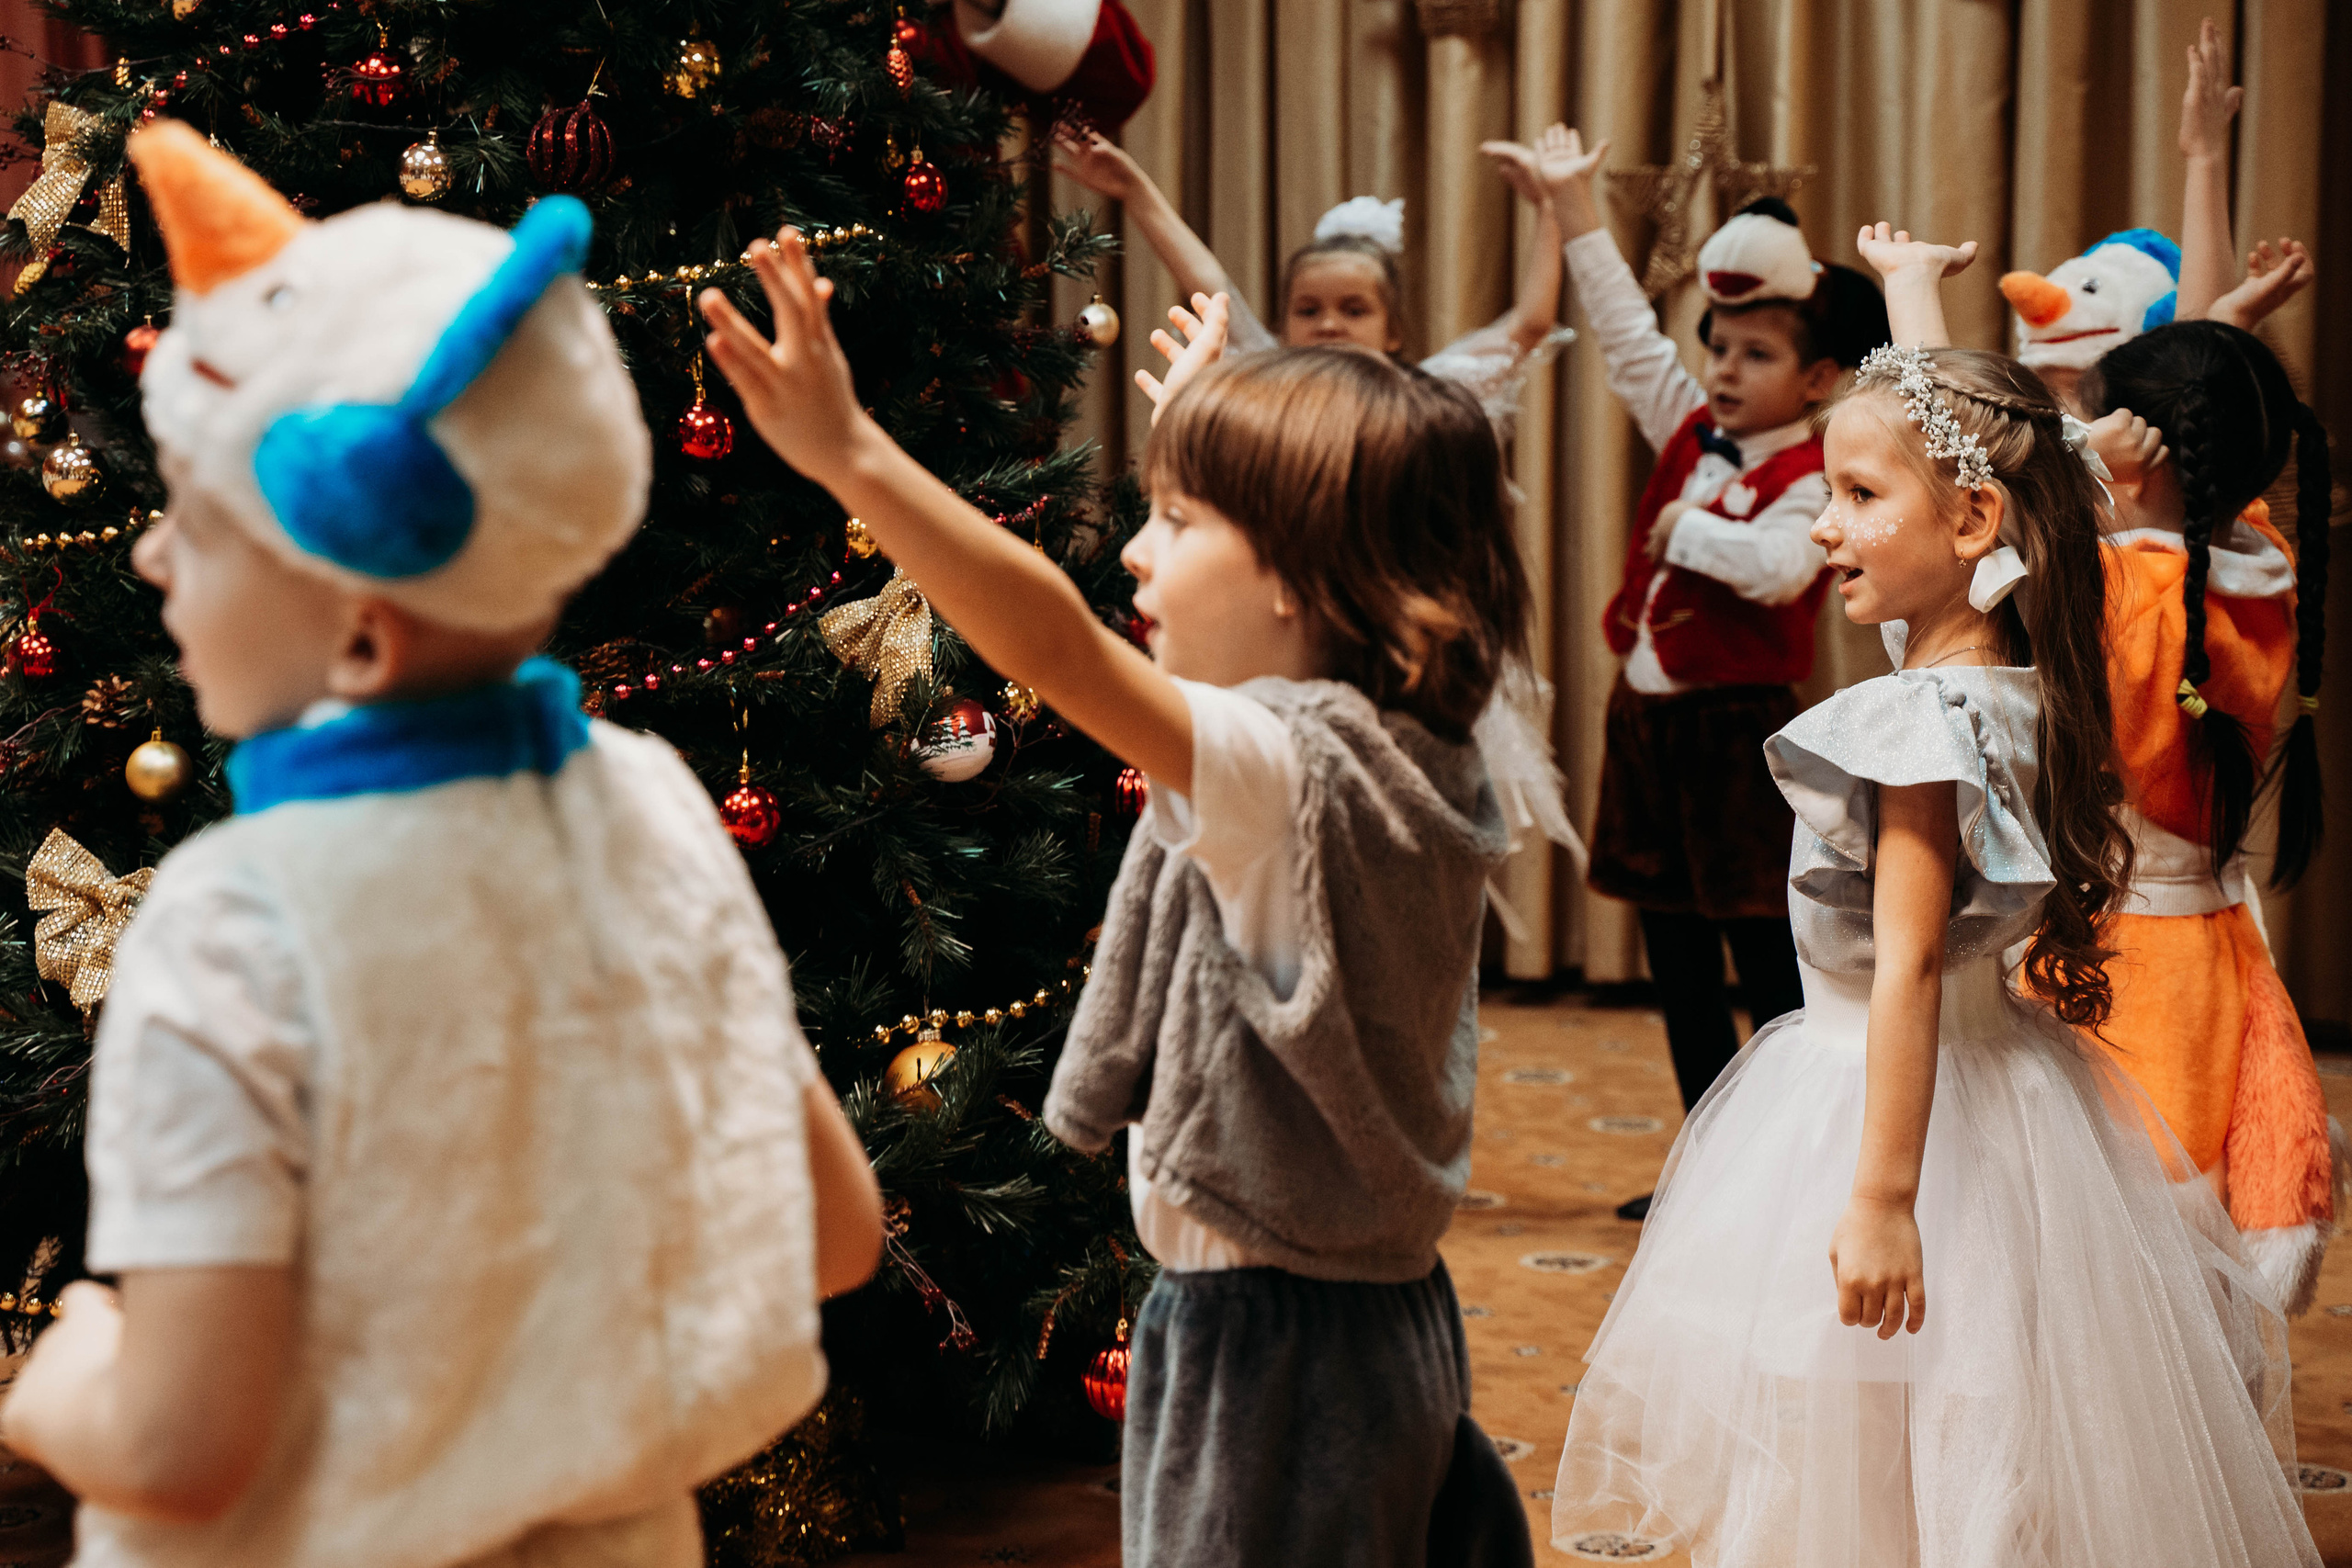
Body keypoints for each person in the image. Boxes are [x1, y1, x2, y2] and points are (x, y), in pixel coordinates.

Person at [0, 122, 885, 1568]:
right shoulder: (654, 803)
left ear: (360, 622)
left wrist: (70, 1377)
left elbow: (181, 1443)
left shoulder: (238, 921)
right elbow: (833, 1236)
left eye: (200, 524)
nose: (153, 557)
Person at [700, 234, 1535, 1564]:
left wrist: (851, 452)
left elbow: (1052, 641)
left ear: (1301, 579)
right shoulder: (1397, 738)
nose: (1138, 554)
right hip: (1362, 1317)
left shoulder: (1284, 770)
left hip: (1274, 1343)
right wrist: (1212, 442)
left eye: (1181, 520)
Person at [1549, 225, 2319, 1566]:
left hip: (1890, 1111)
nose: (1826, 522)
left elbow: (1904, 967)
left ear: (1969, 523)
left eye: (1855, 497)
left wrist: (1883, 1198)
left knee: (1877, 1418)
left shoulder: (1914, 721)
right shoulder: (2017, 676)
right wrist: (1910, 297)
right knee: (1982, 1410)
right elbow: (1961, 456)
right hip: (2007, 1099)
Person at [1532, 127, 1889, 1218]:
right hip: (1646, 730)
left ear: (1818, 378)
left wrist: (1684, 526)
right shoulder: (1690, 428)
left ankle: (1793, 1175)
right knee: (1673, 964)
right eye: (1720, 348)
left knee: (1764, 965)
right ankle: (1703, 1168)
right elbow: (1632, 341)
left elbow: (1782, 572)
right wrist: (1575, 210)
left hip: (1741, 740)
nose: (1724, 370)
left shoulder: (1816, 470)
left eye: (1756, 354)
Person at [2076, 319, 2338, 1312]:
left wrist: (2069, 460)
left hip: (2120, 958)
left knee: (2114, 1237)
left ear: (2138, 460)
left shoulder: (2119, 599)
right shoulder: (2261, 562)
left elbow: (1957, 499)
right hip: (2212, 946)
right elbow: (2208, 413)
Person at [1052, 128, 1573, 436]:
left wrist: (1551, 207)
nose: (1328, 324)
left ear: (1393, 332)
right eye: (1307, 310)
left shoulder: (1427, 398)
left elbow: (1528, 325)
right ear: (1281, 328)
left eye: (1354, 309)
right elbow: (1210, 288)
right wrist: (1136, 192)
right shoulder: (1267, 385)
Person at [1998, 16, 2313, 415]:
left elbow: (2194, 368)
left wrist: (2205, 159)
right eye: (2045, 391)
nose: (2060, 420)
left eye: (2078, 390)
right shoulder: (2022, 451)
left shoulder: (2151, 450)